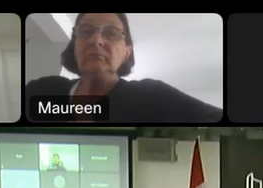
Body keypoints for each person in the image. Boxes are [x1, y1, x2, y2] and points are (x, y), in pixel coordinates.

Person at [25, 13, 222, 124]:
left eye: (111, 33)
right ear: (74, 45)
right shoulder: (42, 90)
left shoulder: (151, 97)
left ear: (127, 52)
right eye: (86, 32)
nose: (97, 40)